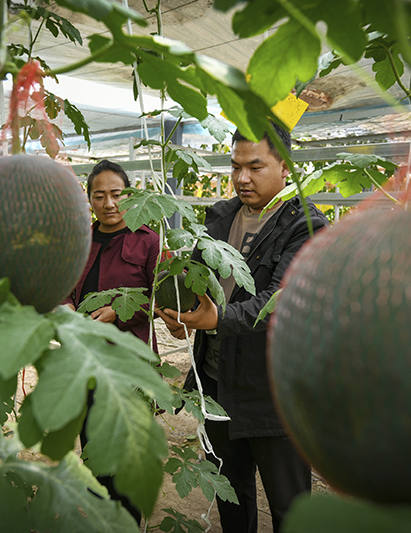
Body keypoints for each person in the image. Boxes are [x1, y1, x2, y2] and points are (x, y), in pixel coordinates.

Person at [156, 123, 329, 533]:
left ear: (285, 167)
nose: (242, 178)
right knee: (232, 496)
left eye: (255, 166)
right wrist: (182, 319)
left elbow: (279, 301)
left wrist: (217, 320)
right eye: (235, 167)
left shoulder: (305, 225)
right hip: (217, 384)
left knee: (290, 507)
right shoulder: (220, 216)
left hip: (273, 394)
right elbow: (197, 284)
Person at [62, 159, 161, 522]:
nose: (108, 203)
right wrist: (68, 309)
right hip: (87, 361)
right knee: (93, 445)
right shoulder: (80, 240)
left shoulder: (150, 241)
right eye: (99, 195)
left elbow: (161, 296)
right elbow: (63, 286)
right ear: (89, 199)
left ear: (130, 195)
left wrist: (119, 313)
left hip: (129, 364)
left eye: (116, 194)